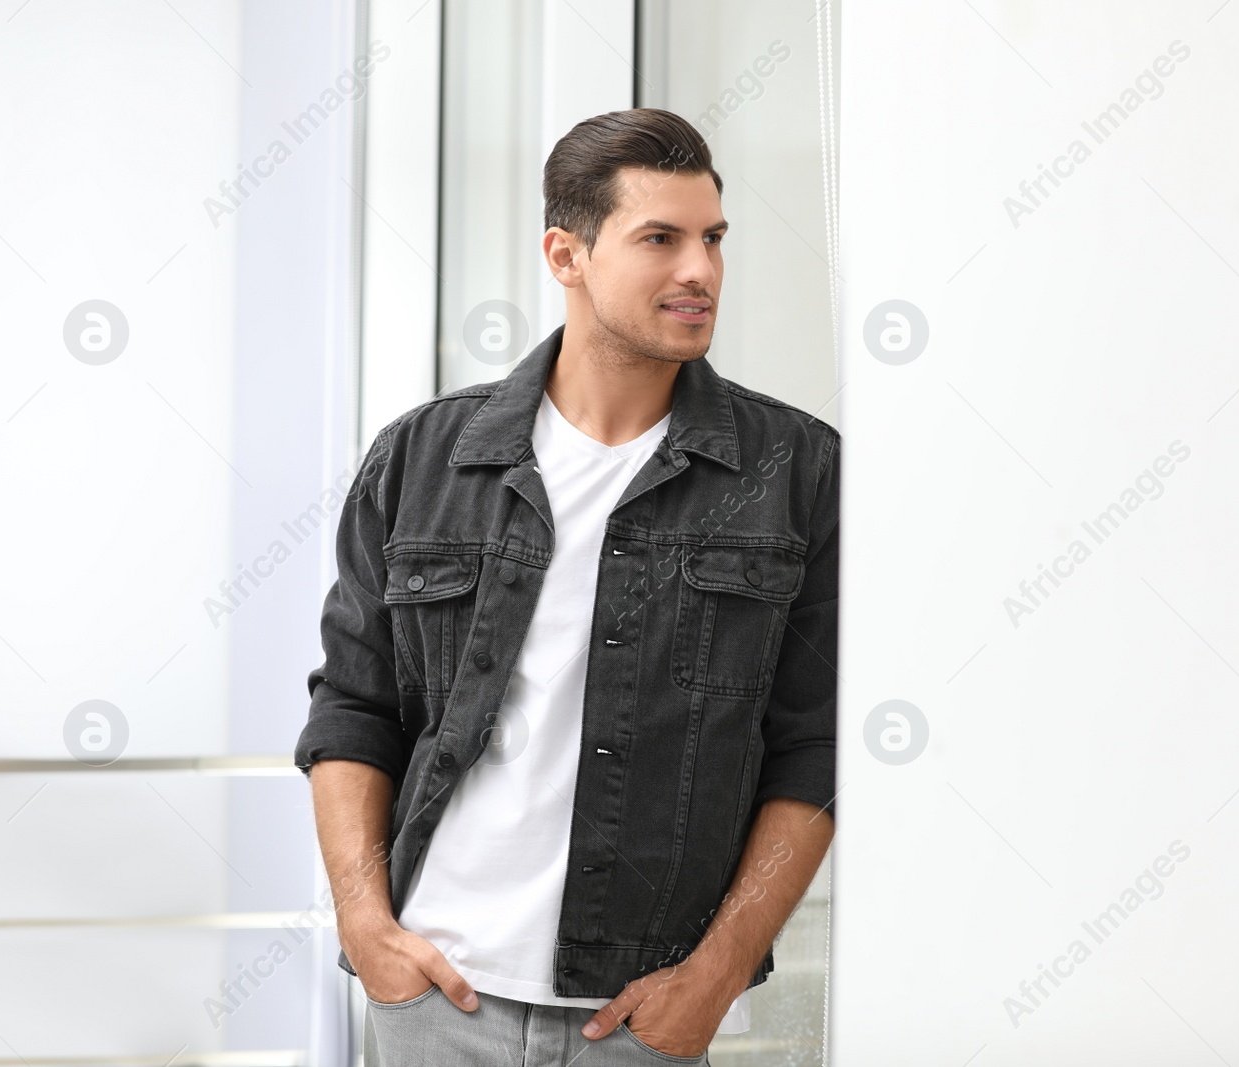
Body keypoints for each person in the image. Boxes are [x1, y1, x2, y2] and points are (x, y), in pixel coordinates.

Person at [295, 107, 839, 1066]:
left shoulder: (795, 470)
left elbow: (813, 751)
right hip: (436, 992)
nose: (700, 272)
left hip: (641, 1013)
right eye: (660, 239)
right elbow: (353, 707)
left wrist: (713, 977)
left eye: (713, 239)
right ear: (568, 253)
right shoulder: (425, 457)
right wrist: (366, 925)